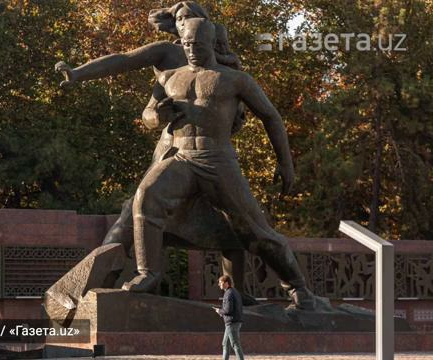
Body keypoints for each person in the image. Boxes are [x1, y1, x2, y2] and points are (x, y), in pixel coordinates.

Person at [56, 1, 255, 302]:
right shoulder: (168, 54)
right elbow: (125, 65)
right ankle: (87, 292)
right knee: (132, 216)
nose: (183, 24)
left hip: (212, 158)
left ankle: (238, 295)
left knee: (234, 226)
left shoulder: (224, 64)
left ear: (207, 28)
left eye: (189, 18)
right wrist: (78, 73)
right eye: (178, 19)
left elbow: (241, 113)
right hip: (171, 152)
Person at [121, 17, 316, 310]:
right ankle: (148, 273)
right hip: (182, 156)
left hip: (218, 159)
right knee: (146, 197)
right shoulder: (169, 77)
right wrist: (156, 117)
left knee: (254, 230)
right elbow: (148, 114)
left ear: (212, 43)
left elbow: (271, 117)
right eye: (187, 44)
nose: (192, 50)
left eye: (198, 44)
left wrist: (285, 163)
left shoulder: (235, 79)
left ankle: (298, 288)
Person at [216, 275, 245, 360]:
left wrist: (220, 311)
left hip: (232, 323)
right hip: (235, 321)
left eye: (221, 282)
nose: (219, 284)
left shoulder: (228, 293)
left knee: (235, 344)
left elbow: (228, 310)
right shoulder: (235, 292)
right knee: (225, 344)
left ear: (226, 283)